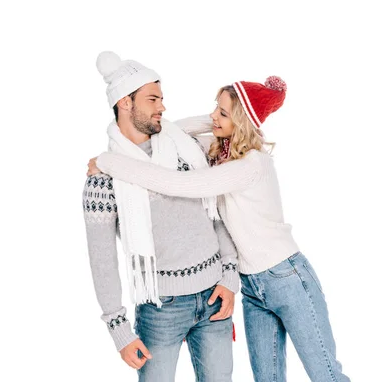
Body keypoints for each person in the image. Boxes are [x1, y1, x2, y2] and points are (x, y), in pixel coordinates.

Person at [87, 76, 351, 382]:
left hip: (286, 277)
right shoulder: (215, 152)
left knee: (326, 375)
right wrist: (221, 118)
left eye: (223, 113)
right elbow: (172, 131)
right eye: (215, 108)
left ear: (239, 122)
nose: (213, 116)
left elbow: (178, 184)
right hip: (251, 286)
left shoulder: (250, 165)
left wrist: (109, 160)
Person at [83, 51, 239, 382]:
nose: (162, 107)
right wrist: (118, 329)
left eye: (162, 99)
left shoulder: (186, 149)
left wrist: (229, 277)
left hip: (214, 298)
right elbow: (102, 260)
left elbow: (217, 213)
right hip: (160, 309)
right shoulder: (102, 179)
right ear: (125, 103)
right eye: (152, 99)